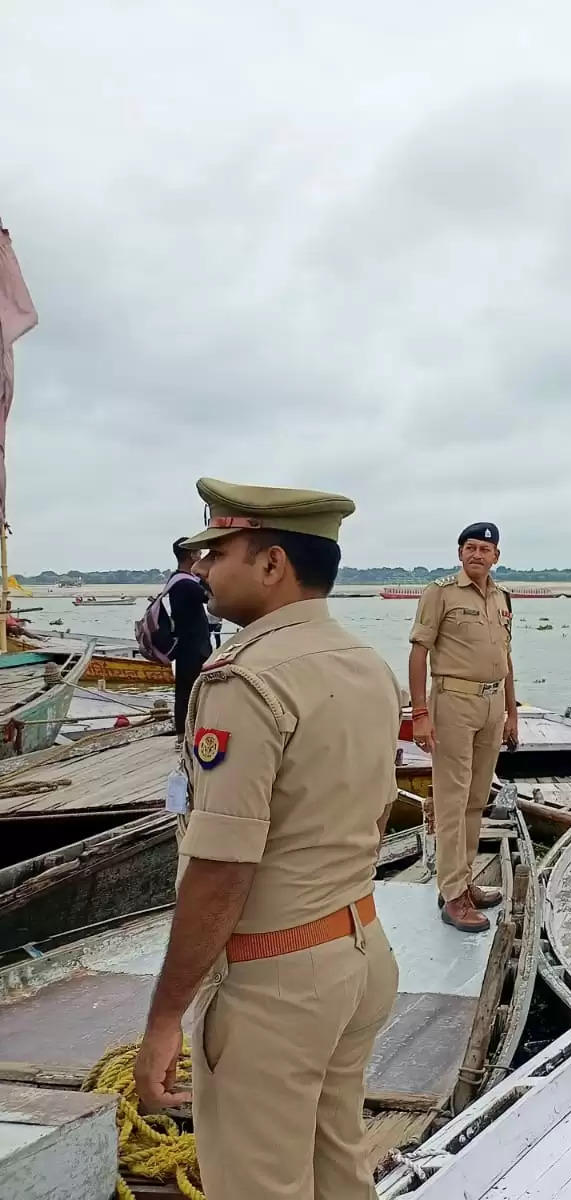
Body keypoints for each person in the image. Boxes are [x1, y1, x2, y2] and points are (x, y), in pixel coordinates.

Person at [131, 478, 402, 1199]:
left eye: (218, 553)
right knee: (337, 1168)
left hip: (276, 980)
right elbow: (379, 816)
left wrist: (163, 1020)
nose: (204, 571)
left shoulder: (244, 680)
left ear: (272, 564)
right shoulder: (366, 666)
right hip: (359, 949)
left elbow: (221, 870)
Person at [408, 523, 519, 933]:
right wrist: (420, 712)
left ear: (496, 556)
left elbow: (505, 659)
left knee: (475, 799)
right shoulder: (440, 593)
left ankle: (464, 880)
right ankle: (452, 895)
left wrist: (512, 712)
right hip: (453, 701)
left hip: (492, 704)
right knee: (452, 801)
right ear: (460, 554)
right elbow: (419, 651)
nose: (477, 554)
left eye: (485, 549)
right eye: (470, 548)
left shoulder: (502, 597)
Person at [166, 538, 214, 734]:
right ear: (190, 555)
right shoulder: (186, 583)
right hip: (194, 646)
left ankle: (183, 733)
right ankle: (187, 733)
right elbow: (211, 594)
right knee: (195, 691)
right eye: (198, 552)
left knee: (185, 690)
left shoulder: (176, 579)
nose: (201, 556)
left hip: (186, 645)